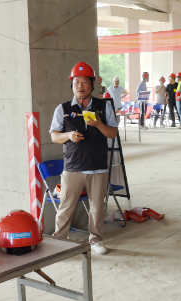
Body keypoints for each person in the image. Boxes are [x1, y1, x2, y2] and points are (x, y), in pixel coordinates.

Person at [49, 62, 119, 256]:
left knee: (97, 207)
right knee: (66, 206)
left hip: (98, 166)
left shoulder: (104, 106)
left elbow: (112, 133)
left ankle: (96, 240)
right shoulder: (63, 108)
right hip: (73, 167)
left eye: (85, 82)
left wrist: (98, 124)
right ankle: (60, 241)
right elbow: (54, 136)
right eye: (76, 82)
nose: (80, 86)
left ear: (93, 84)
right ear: (72, 84)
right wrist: (68, 135)